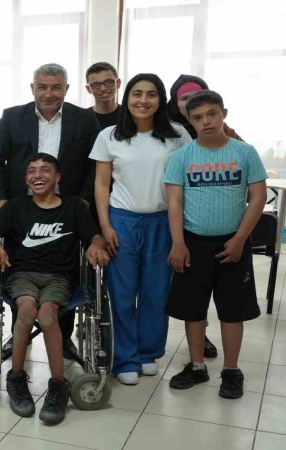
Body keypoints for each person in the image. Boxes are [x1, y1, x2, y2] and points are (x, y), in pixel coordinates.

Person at [0, 154, 111, 424]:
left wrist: (96, 246)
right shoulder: (15, 207)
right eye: (31, 171)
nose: (37, 175)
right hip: (21, 275)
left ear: (57, 177)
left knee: (48, 315)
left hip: (59, 277)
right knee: (27, 311)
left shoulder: (74, 207)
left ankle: (58, 385)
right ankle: (16, 379)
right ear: (26, 178)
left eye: (45, 170)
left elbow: (95, 237)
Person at [0, 62, 101, 360]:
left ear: (66, 89)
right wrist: (0, 202)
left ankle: (63, 338)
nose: (48, 93)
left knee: (63, 270)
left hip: (67, 209)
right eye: (42, 87)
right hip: (21, 210)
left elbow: (94, 165)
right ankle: (19, 335)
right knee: (20, 269)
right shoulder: (12, 117)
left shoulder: (84, 119)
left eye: (56, 87)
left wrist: (84, 201)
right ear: (32, 88)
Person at [90, 73, 192, 385]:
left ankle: (148, 352)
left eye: (151, 94)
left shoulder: (177, 135)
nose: (143, 100)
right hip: (122, 221)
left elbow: (187, 181)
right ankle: (125, 358)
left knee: (156, 292)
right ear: (128, 97)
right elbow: (101, 184)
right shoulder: (109, 136)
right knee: (121, 294)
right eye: (137, 93)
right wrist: (105, 225)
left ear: (161, 99)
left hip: (163, 222)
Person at [164, 90, 266, 399]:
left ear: (224, 114)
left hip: (233, 245)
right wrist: (178, 243)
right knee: (193, 309)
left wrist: (240, 239)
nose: (205, 122)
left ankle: (231, 371)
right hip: (193, 244)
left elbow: (258, 197)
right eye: (197, 118)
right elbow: (175, 203)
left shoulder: (245, 152)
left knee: (232, 311)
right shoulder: (181, 157)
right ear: (189, 121)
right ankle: (197, 366)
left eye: (212, 114)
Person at [167, 75, 242, 140]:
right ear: (175, 103)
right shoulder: (165, 128)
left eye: (196, 96)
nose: (190, 102)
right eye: (185, 98)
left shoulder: (221, 129)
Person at [85, 62, 121, 129]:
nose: (103, 89)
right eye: (96, 85)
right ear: (88, 89)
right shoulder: (82, 118)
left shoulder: (129, 115)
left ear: (118, 83)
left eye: (108, 82)